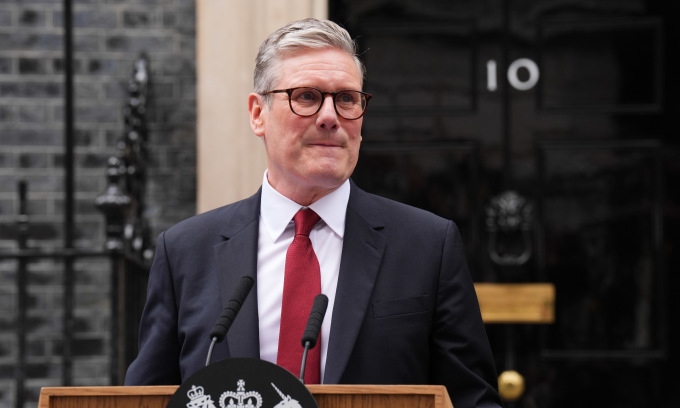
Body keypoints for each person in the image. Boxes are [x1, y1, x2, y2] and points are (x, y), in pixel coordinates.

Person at [124, 17, 503, 408]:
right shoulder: (185, 251)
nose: (330, 116)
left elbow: (472, 400)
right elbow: (144, 400)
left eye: (347, 99)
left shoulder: (427, 246)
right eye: (306, 96)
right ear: (257, 114)